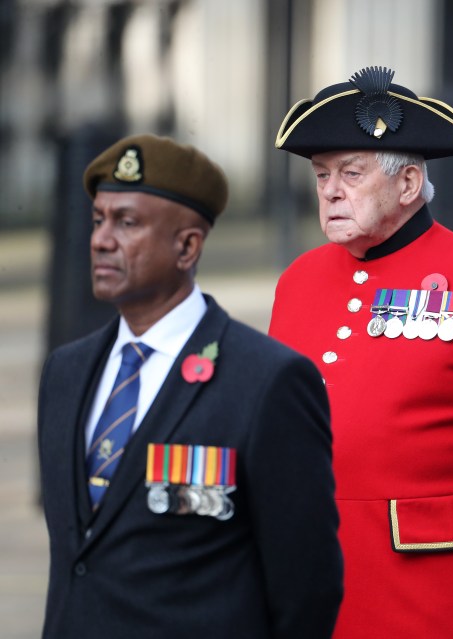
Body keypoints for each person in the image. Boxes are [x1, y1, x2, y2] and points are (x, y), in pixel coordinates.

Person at [268, 66, 453, 638]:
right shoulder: (299, 280)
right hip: (305, 583)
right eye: (321, 174)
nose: (331, 190)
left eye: (351, 174)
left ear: (408, 184)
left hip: (426, 589)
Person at [37, 134, 343, 638]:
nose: (101, 240)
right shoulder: (66, 373)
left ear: (187, 247)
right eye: (98, 220)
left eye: (127, 222)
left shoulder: (264, 381)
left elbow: (307, 585)